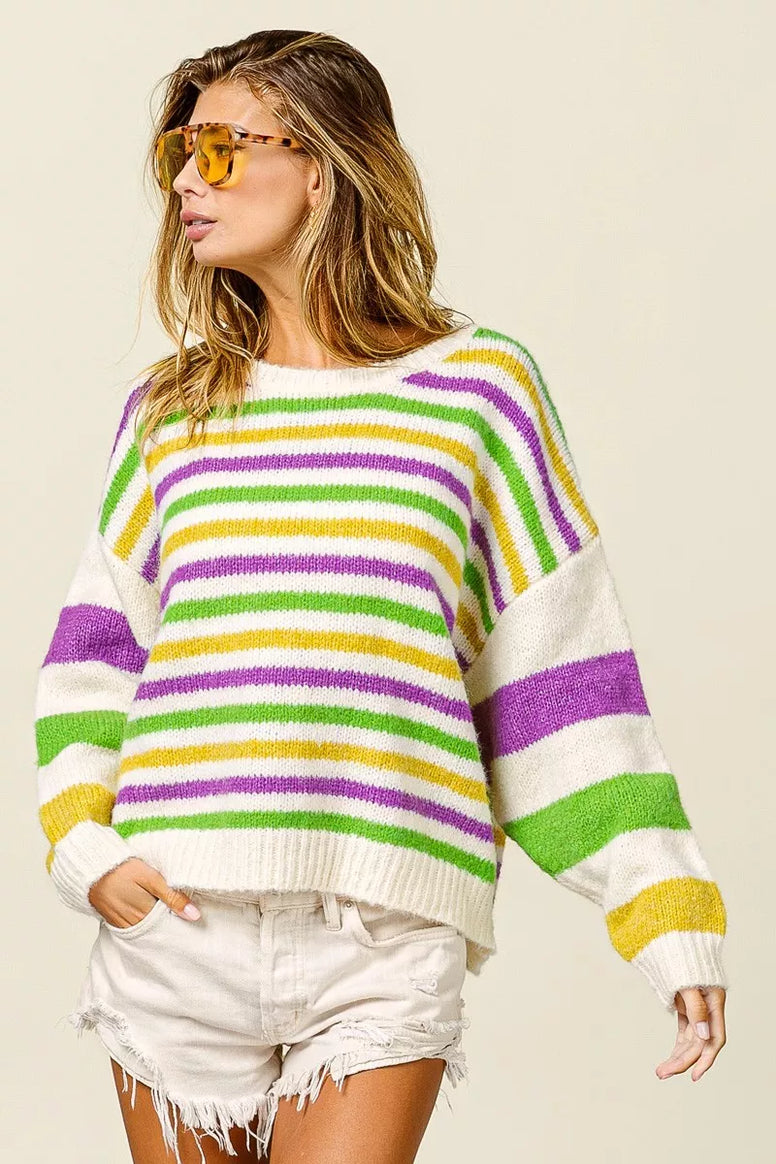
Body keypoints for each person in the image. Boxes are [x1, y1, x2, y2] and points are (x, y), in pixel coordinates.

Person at [33, 28, 729, 1164]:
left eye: (220, 149)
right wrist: (85, 846)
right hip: (176, 923)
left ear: (321, 166)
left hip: (384, 933)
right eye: (177, 153)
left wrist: (663, 909)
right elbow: (96, 656)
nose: (186, 182)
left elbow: (555, 678)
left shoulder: (477, 392)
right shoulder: (172, 411)